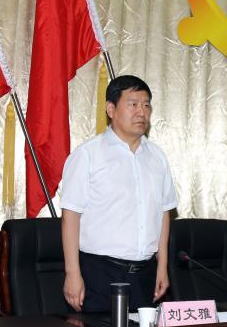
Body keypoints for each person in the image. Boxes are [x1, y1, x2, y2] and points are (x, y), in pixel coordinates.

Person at [60, 75, 176, 313]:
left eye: (146, 105)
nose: (142, 112)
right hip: (99, 274)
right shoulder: (88, 155)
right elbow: (70, 216)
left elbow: (163, 213)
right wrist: (72, 273)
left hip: (145, 274)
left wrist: (162, 266)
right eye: (133, 104)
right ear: (111, 109)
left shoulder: (157, 157)